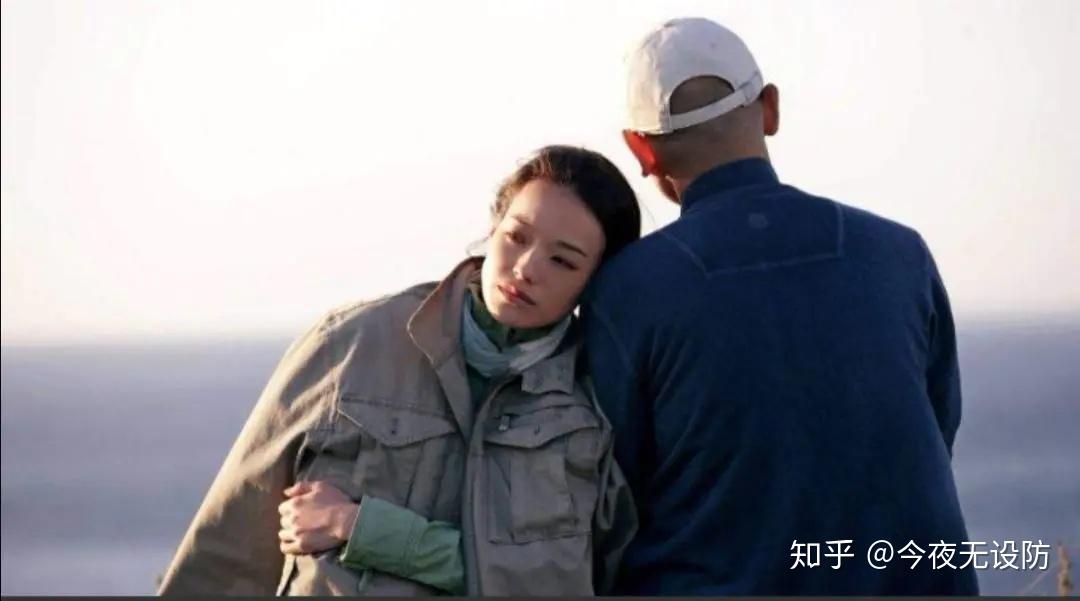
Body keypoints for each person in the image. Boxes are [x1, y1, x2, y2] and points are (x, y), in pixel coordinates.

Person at [581, 18, 978, 594]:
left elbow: (610, 495)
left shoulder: (625, 290)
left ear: (640, 149)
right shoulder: (900, 253)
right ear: (770, 108)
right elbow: (938, 431)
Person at [158, 145, 640, 596]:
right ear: (494, 228)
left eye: (562, 261)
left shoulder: (596, 401)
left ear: (597, 280)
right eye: (517, 237)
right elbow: (231, 539)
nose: (527, 268)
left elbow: (567, 582)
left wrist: (362, 528)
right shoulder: (351, 343)